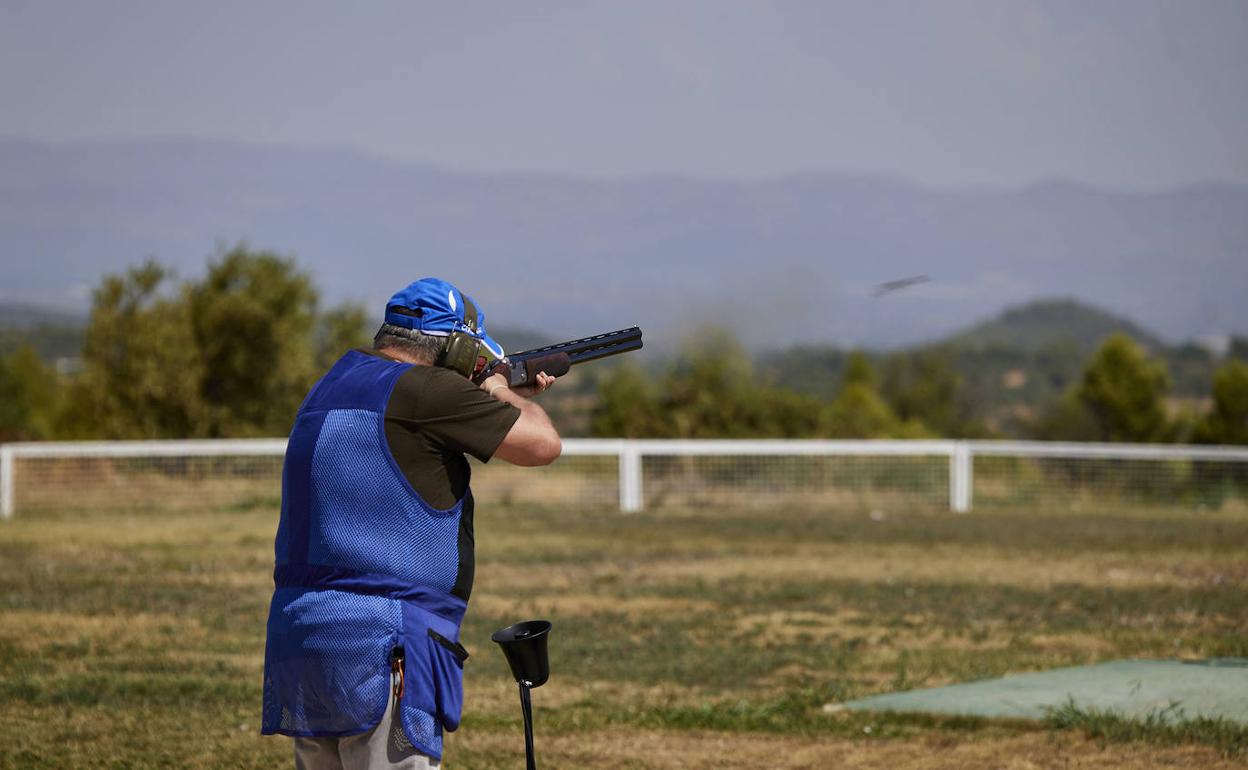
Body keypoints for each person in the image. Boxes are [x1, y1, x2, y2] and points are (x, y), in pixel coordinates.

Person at [261, 277, 561, 769]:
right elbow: (542, 444)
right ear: (459, 349)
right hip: (384, 641)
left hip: (304, 633)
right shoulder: (427, 388)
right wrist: (499, 389)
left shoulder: (332, 381)